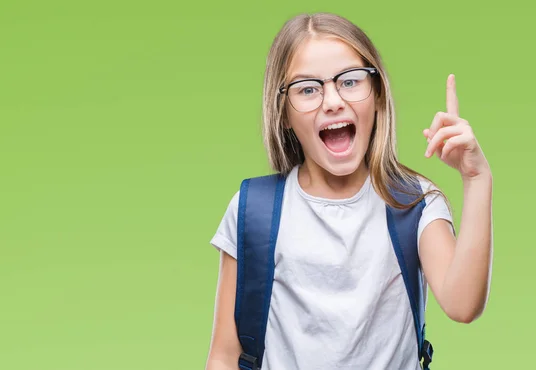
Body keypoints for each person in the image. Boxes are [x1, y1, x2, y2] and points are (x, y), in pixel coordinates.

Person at [205, 12, 493, 370]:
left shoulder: (415, 203)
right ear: (283, 113)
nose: (332, 100)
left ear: (377, 94)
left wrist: (477, 179)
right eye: (308, 88)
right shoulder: (253, 211)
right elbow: (224, 356)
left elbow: (463, 304)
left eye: (350, 81)